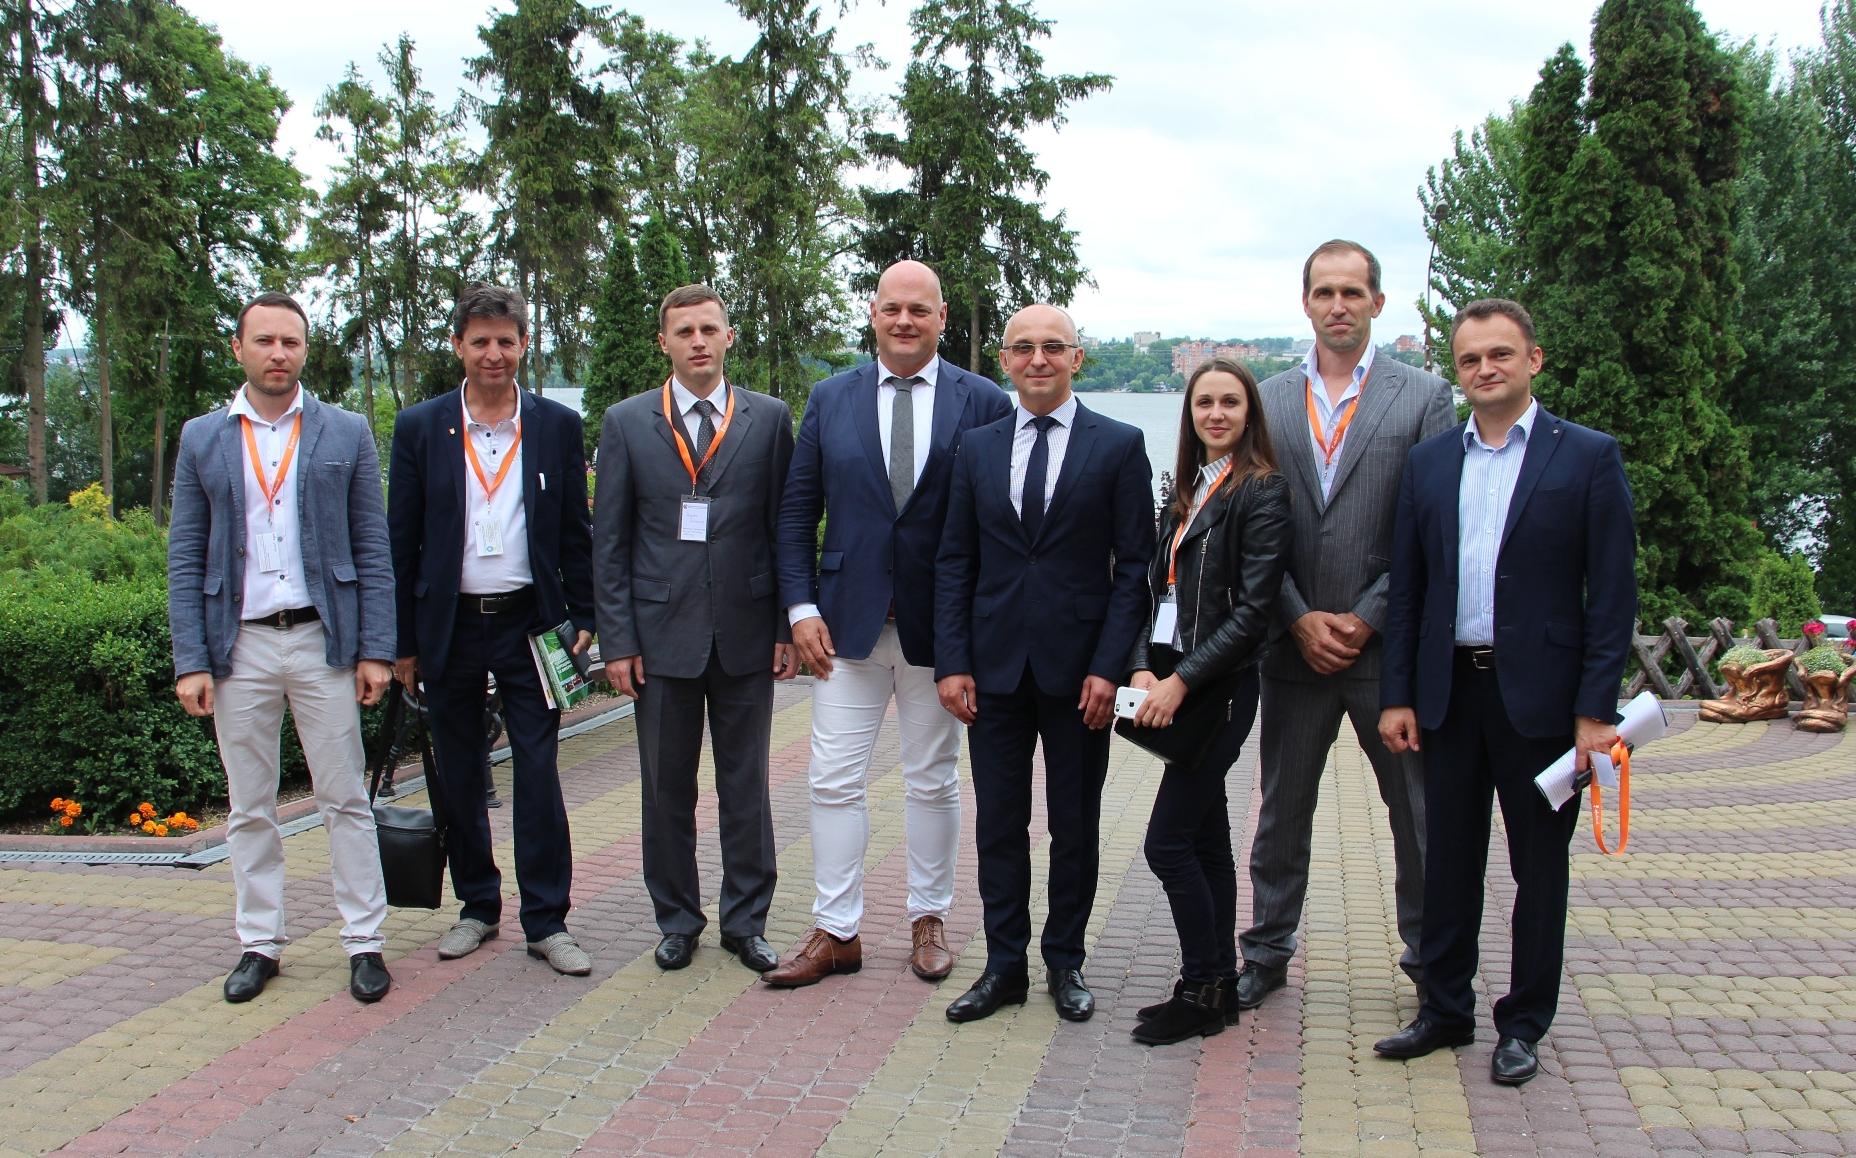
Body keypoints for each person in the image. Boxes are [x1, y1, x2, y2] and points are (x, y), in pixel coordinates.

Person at [1374, 298, 1635, 1085]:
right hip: (1449, 694)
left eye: (1500, 355)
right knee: (1448, 862)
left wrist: (1594, 712)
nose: (1485, 369)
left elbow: (1612, 596)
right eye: (1470, 359)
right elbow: (1409, 591)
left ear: (1533, 360)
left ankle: (1523, 1024)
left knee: (1538, 869)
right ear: (1457, 372)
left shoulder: (1587, 456)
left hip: (1545, 703)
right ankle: (1444, 1010)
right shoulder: (1429, 464)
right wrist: (1397, 695)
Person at [765, 261, 1013, 987]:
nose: (905, 321)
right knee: (832, 780)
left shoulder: (983, 400)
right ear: (873, 314)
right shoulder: (830, 397)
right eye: (892, 308)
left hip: (942, 632)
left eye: (919, 310)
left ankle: (929, 919)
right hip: (845, 629)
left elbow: (997, 523)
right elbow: (795, 514)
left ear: (942, 318)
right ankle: (836, 930)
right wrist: (800, 609)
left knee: (932, 780)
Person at [1237, 240, 1457, 1013]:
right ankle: (1266, 952)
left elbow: (1434, 529)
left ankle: (1431, 963)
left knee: (1417, 817)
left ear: (1377, 303)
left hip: (1387, 655)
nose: (1338, 305)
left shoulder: (1424, 396)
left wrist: (1367, 617)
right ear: (1305, 303)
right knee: (1280, 813)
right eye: (1324, 292)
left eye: (1352, 293)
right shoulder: (1266, 399)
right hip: (1292, 648)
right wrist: (1296, 615)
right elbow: (1247, 527)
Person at [168, 291, 395, 1005]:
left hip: (324, 643)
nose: (278, 354)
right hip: (239, 647)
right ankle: (259, 943)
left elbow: (373, 547)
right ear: (238, 348)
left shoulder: (345, 431)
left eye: (290, 342)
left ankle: (364, 940)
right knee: (250, 805)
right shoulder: (202, 437)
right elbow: (185, 555)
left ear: (304, 350)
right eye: (264, 341)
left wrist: (376, 649)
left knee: (345, 798)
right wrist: (191, 659)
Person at [934, 304, 1153, 1024]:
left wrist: (1110, 667)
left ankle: (1065, 962)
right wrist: (951, 661)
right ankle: (1004, 966)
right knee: (999, 826)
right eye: (1023, 347)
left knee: (1074, 825)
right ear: (1004, 360)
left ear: (1077, 358)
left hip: (1081, 676)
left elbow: (1135, 569)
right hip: (992, 672)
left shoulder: (1118, 445)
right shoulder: (976, 447)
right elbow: (955, 560)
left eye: (1053, 347)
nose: (1038, 360)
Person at [388, 283, 597, 976]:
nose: (493, 353)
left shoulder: (556, 426)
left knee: (537, 772)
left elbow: (575, 533)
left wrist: (586, 617)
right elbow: (400, 542)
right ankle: (477, 906)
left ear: (523, 345)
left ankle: (547, 920)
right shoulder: (421, 427)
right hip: (448, 625)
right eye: (479, 341)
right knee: (459, 773)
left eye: (506, 341)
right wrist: (403, 643)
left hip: (529, 625)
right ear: (458, 346)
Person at [593, 284, 796, 974]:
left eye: (709, 329)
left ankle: (746, 922)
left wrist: (784, 624)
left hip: (746, 632)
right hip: (659, 639)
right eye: (684, 332)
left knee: (747, 788)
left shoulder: (768, 419)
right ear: (665, 343)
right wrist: (618, 641)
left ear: (729, 336)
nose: (698, 341)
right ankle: (677, 920)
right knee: (665, 791)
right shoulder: (627, 422)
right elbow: (609, 542)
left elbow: (784, 529)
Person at [1123, 358, 1290, 1045]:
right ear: (1190, 415)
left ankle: (1200, 985)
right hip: (1175, 681)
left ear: (1250, 414)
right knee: (1206, 841)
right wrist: (1140, 666)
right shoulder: (1188, 490)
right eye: (1204, 403)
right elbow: (1154, 592)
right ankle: (1217, 986)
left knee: (1166, 844)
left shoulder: (1262, 491)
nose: (1216, 414)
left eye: (1230, 402)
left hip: (1219, 691)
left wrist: (1181, 681)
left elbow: (1253, 614)